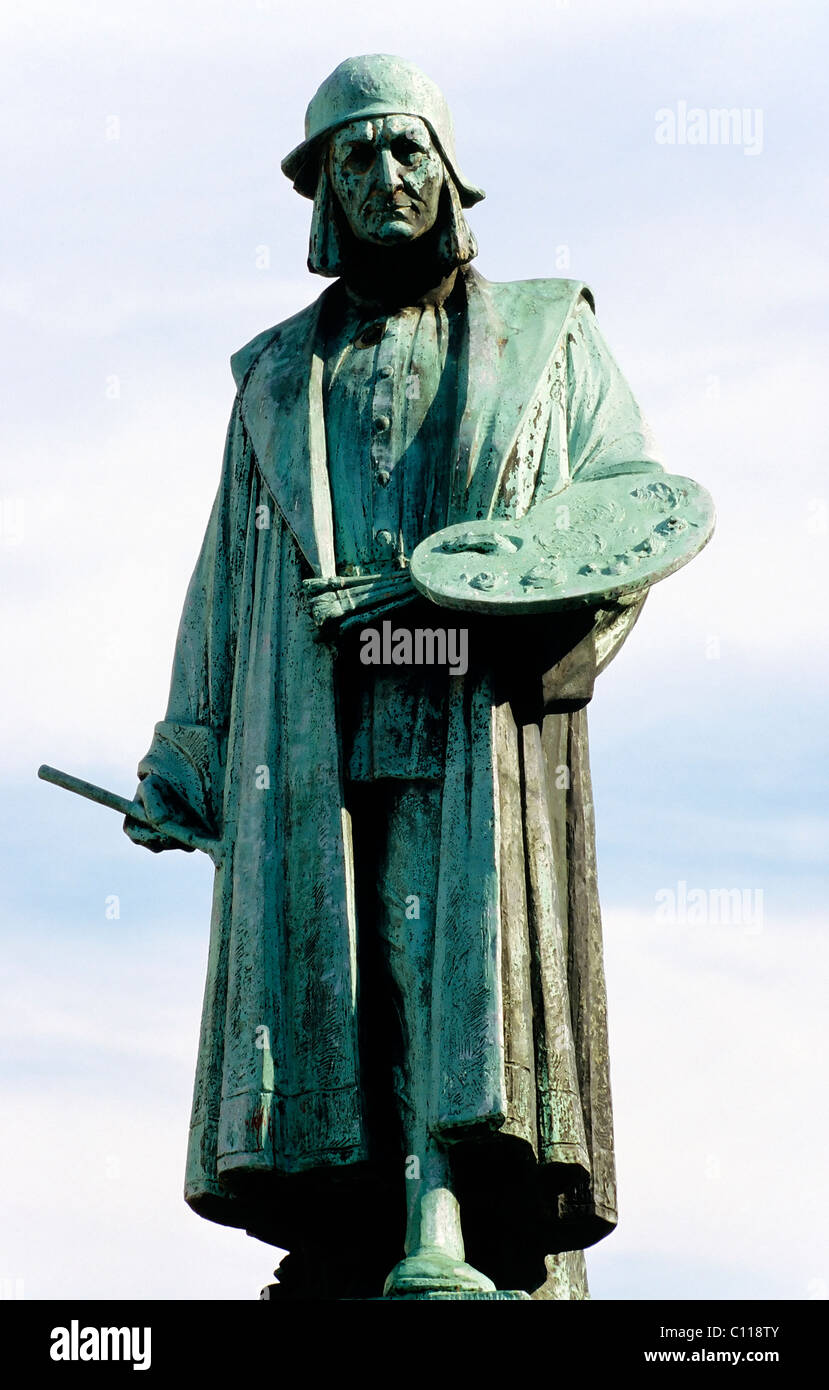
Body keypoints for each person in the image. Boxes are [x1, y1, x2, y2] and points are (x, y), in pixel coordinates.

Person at [125, 54, 664, 1300]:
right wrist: (190, 745)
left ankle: (443, 1213)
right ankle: (350, 1211)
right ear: (318, 189)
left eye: (404, 149)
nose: (383, 175)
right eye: (352, 156)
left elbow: (626, 514)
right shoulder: (270, 375)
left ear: (449, 171)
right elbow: (225, 576)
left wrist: (468, 598)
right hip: (313, 713)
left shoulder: (545, 332)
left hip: (464, 694)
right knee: (341, 958)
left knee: (449, 950)